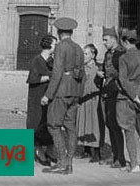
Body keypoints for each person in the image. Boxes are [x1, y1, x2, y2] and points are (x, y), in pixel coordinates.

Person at [41, 17, 85, 175]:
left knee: (53, 125)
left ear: (59, 33)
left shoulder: (60, 47)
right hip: (74, 92)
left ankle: (62, 161)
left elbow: (57, 72)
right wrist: (79, 94)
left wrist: (48, 95)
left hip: (61, 92)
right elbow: (83, 75)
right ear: (71, 32)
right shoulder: (79, 48)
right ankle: (70, 164)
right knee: (71, 128)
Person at [116, 36, 140, 173]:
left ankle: (134, 164)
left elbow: (123, 79)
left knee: (129, 131)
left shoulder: (123, 58)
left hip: (126, 98)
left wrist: (133, 96)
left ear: (126, 42)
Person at [26, 34, 57, 167]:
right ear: (49, 45)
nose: (56, 47)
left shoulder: (52, 60)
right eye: (55, 44)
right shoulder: (37, 60)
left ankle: (49, 150)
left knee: (47, 121)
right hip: (37, 96)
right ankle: (38, 151)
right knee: (36, 122)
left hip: (48, 96)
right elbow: (32, 79)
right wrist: (50, 77)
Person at [99, 26, 126, 168]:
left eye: (106, 40)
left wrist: (111, 76)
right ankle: (115, 155)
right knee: (109, 124)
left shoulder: (122, 53)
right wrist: (101, 74)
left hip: (117, 93)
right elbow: (105, 69)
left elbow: (124, 73)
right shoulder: (107, 53)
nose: (103, 42)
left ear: (114, 39)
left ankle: (120, 158)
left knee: (115, 125)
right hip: (107, 92)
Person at [76, 44, 104, 163]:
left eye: (86, 54)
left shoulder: (98, 68)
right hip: (83, 100)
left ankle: (97, 153)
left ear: (93, 55)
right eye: (83, 53)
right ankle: (86, 150)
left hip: (94, 100)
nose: (84, 56)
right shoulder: (81, 68)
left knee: (95, 125)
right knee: (83, 123)